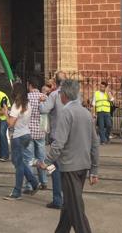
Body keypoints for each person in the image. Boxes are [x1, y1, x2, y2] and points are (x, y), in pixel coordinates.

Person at [38, 79, 100, 233]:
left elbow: (58, 143)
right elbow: (95, 143)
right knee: (69, 204)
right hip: (83, 166)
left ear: (63, 94)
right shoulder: (86, 113)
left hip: (69, 167)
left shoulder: (66, 113)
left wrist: (46, 161)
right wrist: (94, 169)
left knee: (76, 208)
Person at [3, 83, 40, 200]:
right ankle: (34, 182)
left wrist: (5, 113)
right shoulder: (27, 104)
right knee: (18, 161)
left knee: (18, 164)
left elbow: (10, 123)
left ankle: (17, 192)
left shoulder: (16, 105)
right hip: (26, 134)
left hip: (18, 136)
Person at [40, 70, 67, 209]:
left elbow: (44, 110)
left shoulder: (55, 94)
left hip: (57, 136)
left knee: (56, 169)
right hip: (72, 137)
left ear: (55, 83)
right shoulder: (74, 96)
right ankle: (70, 199)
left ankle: (58, 200)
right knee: (69, 169)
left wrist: (43, 98)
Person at [23, 76, 48, 192]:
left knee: (29, 159)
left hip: (28, 132)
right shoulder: (44, 97)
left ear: (29, 85)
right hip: (41, 131)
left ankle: (30, 185)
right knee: (41, 157)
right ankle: (44, 182)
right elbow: (45, 114)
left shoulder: (26, 98)